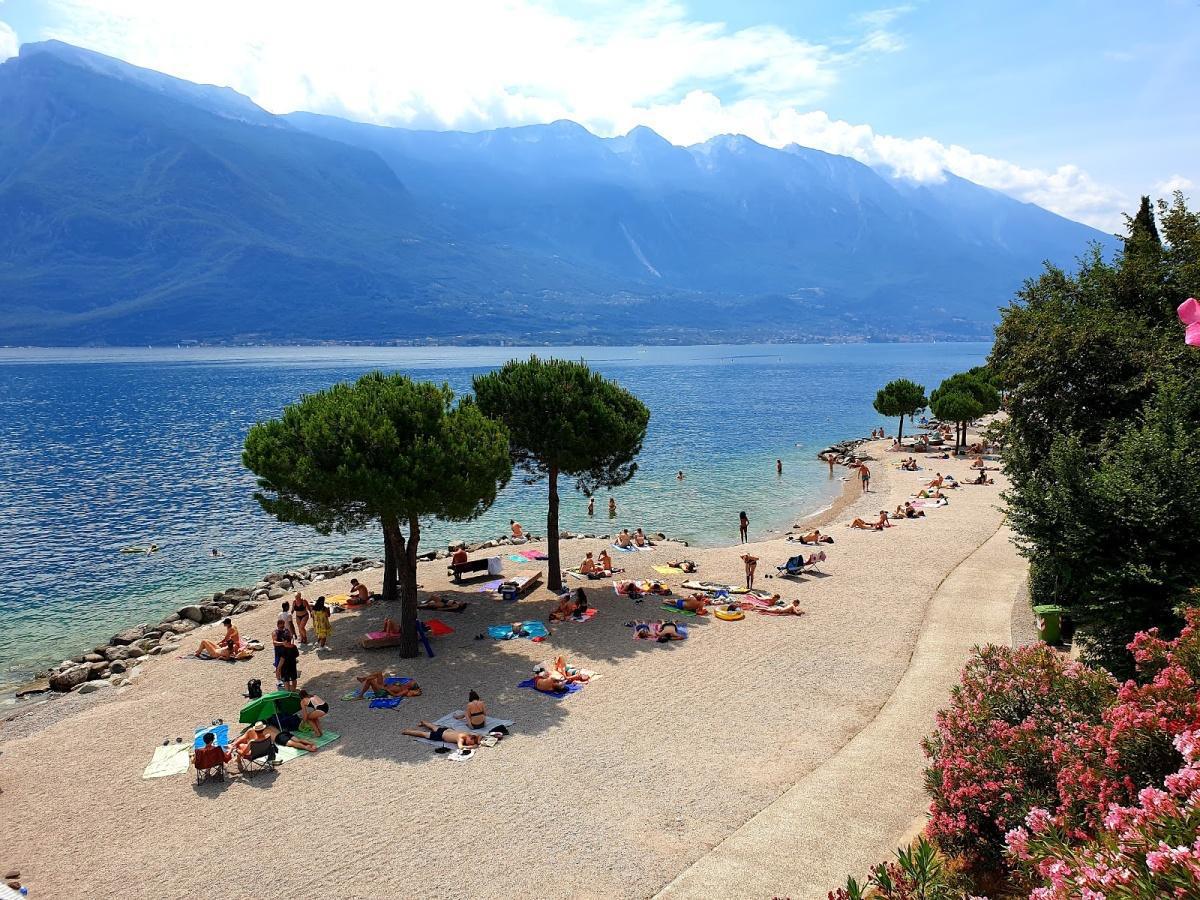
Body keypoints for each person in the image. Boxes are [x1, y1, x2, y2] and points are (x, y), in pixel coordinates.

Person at [234, 721, 318, 756]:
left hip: (279, 738)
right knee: (298, 740)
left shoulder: (263, 735)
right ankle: (311, 744)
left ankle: (307, 748)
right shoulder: (270, 727)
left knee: (293, 744)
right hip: (283, 733)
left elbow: (254, 740)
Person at [403, 721, 483, 751]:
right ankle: (407, 731)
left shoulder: (468, 734)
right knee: (423, 734)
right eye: (470, 743)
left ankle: (423, 722)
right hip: (440, 736)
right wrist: (473, 746)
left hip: (445, 731)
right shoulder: (461, 738)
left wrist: (478, 741)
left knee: (433, 727)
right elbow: (460, 747)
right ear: (470, 738)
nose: (469, 744)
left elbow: (480, 735)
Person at [354, 672, 422, 699]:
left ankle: (361, 695)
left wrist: (387, 690)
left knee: (371, 681)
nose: (409, 682)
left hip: (382, 692)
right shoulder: (403, 685)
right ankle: (363, 679)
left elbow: (396, 695)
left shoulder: (405, 690)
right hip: (384, 686)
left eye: (410, 683)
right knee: (379, 673)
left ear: (410, 686)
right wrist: (387, 685)